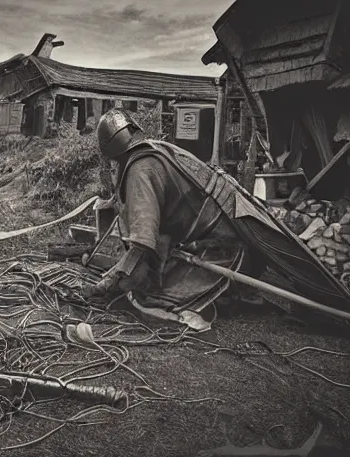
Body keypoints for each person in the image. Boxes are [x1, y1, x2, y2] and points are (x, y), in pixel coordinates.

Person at [82, 108, 266, 316]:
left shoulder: (140, 171)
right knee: (154, 282)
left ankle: (234, 292)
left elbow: (143, 243)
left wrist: (110, 282)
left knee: (155, 300)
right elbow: (160, 233)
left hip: (224, 245)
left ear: (110, 150)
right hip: (230, 230)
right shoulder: (155, 150)